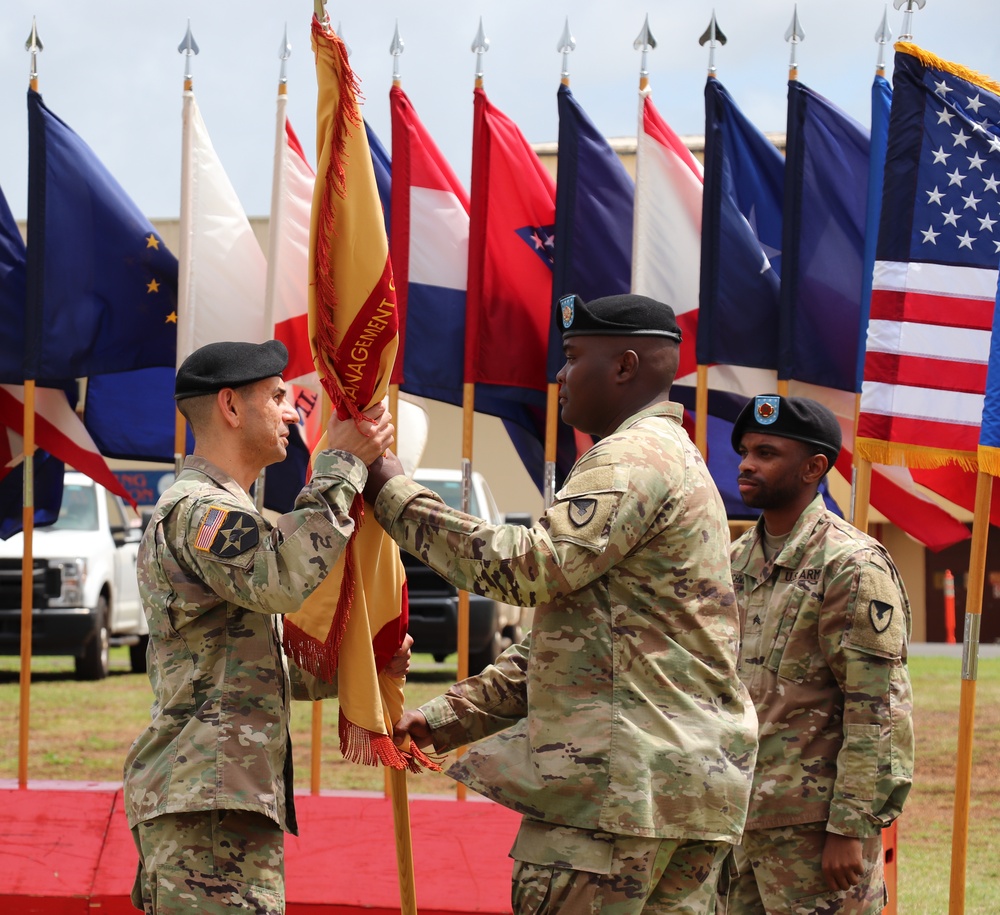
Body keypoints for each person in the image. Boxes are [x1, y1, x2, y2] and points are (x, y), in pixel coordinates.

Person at [365, 293, 759, 914]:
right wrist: (446, 717)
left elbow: (530, 567)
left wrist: (393, 494)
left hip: (614, 797)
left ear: (626, 367)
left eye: (574, 357)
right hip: (679, 792)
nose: (559, 375)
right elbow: (582, 646)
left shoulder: (629, 459)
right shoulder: (675, 460)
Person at [123, 339, 401, 914]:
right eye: (276, 397)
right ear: (230, 406)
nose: (293, 411)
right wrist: (342, 465)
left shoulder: (235, 512)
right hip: (204, 803)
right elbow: (280, 577)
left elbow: (257, 666)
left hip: (224, 797)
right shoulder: (198, 511)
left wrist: (363, 664)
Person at [719, 394, 914, 914]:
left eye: (766, 452)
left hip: (816, 835)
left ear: (814, 467)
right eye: (744, 450)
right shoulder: (731, 562)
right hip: (737, 827)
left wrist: (850, 828)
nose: (746, 463)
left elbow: (875, 710)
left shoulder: (851, 567)